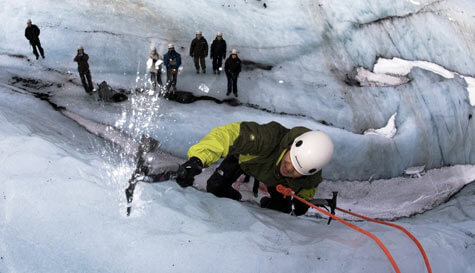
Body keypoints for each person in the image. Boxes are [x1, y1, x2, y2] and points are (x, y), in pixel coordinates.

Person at [175, 121, 334, 216]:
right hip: (245, 161)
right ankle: (233, 197)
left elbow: (309, 186)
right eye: (288, 161)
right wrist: (198, 159)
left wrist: (303, 202)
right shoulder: (267, 138)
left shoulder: (311, 173)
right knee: (215, 187)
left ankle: (268, 205)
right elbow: (229, 135)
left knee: (281, 211)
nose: (288, 168)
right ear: (290, 146)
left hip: (274, 180)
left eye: (295, 171)